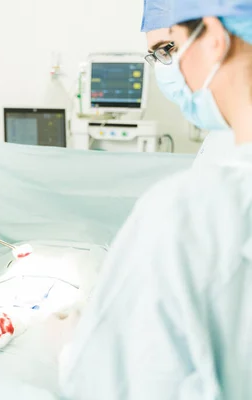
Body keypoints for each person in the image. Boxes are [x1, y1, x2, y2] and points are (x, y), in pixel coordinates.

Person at [58, 0, 252, 398]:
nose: (168, 70)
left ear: (216, 39)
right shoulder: (220, 153)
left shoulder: (187, 212)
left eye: (168, 49)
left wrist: (78, 340)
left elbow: (114, 382)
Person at [142, 0, 236, 166]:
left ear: (216, 40)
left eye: (169, 49)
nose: (163, 68)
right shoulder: (223, 134)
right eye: (157, 56)